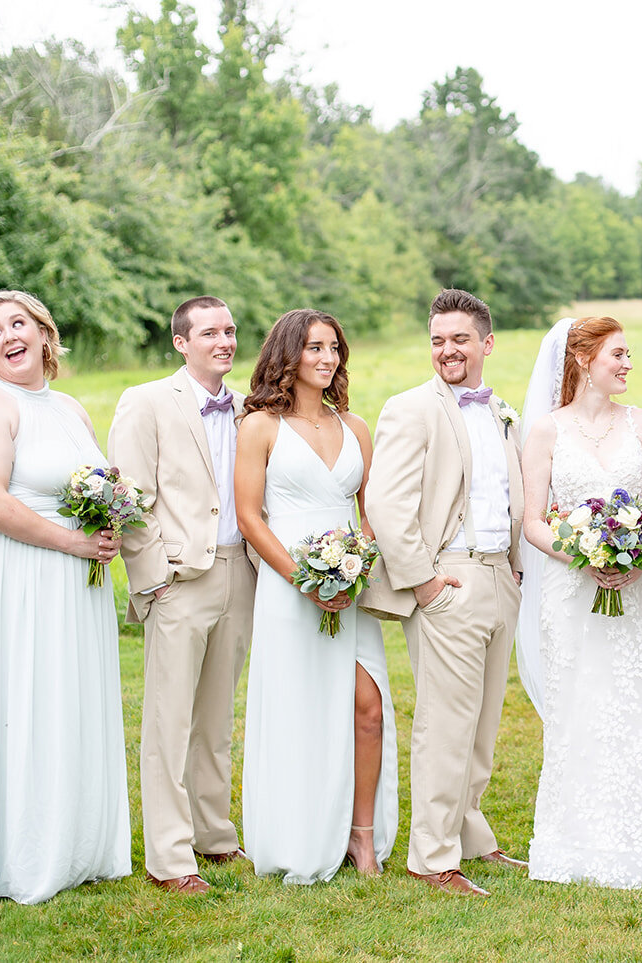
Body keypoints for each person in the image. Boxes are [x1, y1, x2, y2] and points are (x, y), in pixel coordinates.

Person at [0, 290, 131, 904]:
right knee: (19, 694)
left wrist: (108, 525)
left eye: (18, 323)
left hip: (69, 582)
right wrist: (74, 543)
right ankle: (16, 854)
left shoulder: (70, 408)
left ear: (45, 335)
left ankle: (72, 845)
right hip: (12, 572)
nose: (7, 335)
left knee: (64, 696)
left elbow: (91, 486)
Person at [519, 316, 642, 889]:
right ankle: (576, 839)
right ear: (582, 359)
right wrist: (585, 556)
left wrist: (633, 556)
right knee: (581, 703)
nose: (631, 365)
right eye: (619, 355)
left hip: (637, 589)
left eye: (631, 355)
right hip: (572, 590)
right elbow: (532, 523)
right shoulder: (547, 432)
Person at [366, 290, 526, 897]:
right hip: (447, 579)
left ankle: (471, 835)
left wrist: (512, 569)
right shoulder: (412, 409)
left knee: (483, 722)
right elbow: (386, 503)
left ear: (486, 344)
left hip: (497, 577)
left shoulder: (500, 411)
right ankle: (432, 857)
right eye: (437, 340)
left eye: (459, 339)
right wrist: (426, 583)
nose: (447, 351)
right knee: (446, 721)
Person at [236, 309, 398, 884]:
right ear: (288, 356)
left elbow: (370, 512)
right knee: (299, 709)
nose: (327, 358)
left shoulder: (355, 427)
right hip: (290, 589)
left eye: (334, 348)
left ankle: (361, 836)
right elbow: (250, 518)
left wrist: (357, 566)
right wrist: (304, 579)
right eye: (314, 348)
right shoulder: (260, 427)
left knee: (368, 708)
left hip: (349, 583)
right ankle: (301, 831)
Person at [108, 297, 257, 895]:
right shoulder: (145, 402)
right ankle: (170, 857)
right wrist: (155, 577)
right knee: (169, 719)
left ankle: (214, 834)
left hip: (238, 574)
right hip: (180, 579)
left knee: (217, 716)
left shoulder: (248, 408)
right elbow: (131, 495)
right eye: (210, 333)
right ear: (180, 342)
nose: (224, 341)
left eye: (230, 331)